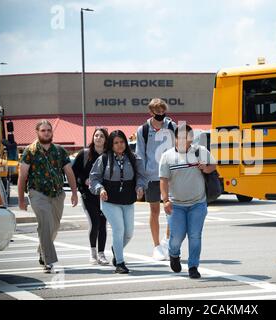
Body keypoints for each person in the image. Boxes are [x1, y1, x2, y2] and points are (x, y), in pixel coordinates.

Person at [18, 120, 78, 273]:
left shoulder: (59, 151)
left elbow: (69, 172)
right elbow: (22, 176)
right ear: (37, 132)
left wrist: (74, 192)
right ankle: (49, 261)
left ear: (52, 132)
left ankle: (42, 250)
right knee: (45, 224)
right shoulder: (29, 151)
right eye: (43, 130)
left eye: (48, 130)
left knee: (54, 226)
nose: (46, 133)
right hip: (37, 193)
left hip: (57, 194)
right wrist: (21, 200)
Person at [159, 124, 216, 279]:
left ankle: (193, 266)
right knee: (176, 236)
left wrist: (206, 168)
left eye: (188, 137)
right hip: (176, 204)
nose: (185, 140)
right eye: (181, 137)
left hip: (198, 203)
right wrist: (165, 200)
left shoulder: (200, 151)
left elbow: (213, 166)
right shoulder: (167, 156)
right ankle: (174, 254)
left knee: (195, 235)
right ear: (175, 139)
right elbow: (163, 180)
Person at [89, 130, 147, 274]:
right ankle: (120, 263)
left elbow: (142, 176)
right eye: (116, 143)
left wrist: (140, 187)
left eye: (122, 142)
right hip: (109, 200)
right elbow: (94, 178)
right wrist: (100, 189)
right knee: (118, 229)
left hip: (128, 200)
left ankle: (116, 249)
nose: (119, 145)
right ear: (111, 144)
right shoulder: (103, 159)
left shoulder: (134, 158)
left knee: (128, 233)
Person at [135, 98, 176, 261]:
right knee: (154, 211)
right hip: (151, 177)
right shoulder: (143, 130)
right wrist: (141, 179)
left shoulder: (172, 127)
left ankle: (166, 242)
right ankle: (157, 246)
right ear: (151, 112)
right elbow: (140, 155)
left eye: (162, 111)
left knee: (171, 211)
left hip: (170, 176)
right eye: (157, 112)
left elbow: (179, 149)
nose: (161, 115)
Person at [72, 127, 110, 265]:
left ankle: (101, 254)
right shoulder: (84, 154)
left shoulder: (109, 155)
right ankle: (93, 253)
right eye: (96, 135)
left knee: (103, 225)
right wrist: (83, 181)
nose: (98, 138)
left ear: (106, 140)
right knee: (95, 223)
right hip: (88, 195)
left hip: (104, 195)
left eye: (101, 136)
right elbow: (73, 174)